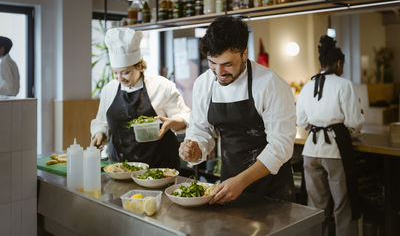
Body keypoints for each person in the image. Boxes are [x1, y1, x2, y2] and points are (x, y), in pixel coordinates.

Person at [179, 16, 296, 204]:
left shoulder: (270, 84)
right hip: (228, 187)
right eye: (212, 63)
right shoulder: (203, 83)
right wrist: (195, 150)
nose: (219, 72)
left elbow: (280, 146)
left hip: (273, 191)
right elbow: (201, 130)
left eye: (227, 64)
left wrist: (241, 181)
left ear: (244, 53)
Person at [91, 28, 190, 169]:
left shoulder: (161, 86)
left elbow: (185, 118)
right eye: (116, 73)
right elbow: (102, 121)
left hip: (159, 168)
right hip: (120, 167)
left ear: (139, 66)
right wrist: (99, 133)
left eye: (125, 73)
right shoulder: (109, 89)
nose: (120, 79)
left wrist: (172, 122)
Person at [296, 35, 364, 236]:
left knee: (316, 207)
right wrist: (349, 130)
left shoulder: (307, 86)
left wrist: (317, 127)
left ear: (321, 63)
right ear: (338, 62)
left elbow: (301, 121)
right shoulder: (344, 85)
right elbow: (355, 122)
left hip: (310, 152)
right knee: (343, 204)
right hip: (335, 151)